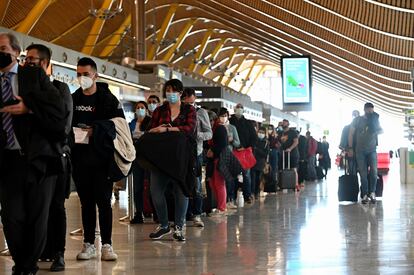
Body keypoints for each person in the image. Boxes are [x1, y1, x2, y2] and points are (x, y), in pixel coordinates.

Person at [0, 32, 67, 275]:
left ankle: (26, 267)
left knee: (38, 216)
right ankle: (23, 262)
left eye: (3, 48)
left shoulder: (33, 76)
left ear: (16, 53)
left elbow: (57, 114)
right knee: (11, 216)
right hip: (8, 160)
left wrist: (29, 108)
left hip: (39, 158)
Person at [24, 43, 73, 272]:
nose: (27, 63)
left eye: (32, 60)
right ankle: (36, 252)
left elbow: (62, 126)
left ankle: (58, 252)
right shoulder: (21, 88)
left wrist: (33, 111)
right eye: (26, 59)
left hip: (54, 157)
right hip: (28, 159)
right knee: (32, 209)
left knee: (55, 207)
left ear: (44, 63)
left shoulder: (59, 89)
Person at [71, 57, 125, 261]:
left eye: (86, 74)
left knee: (104, 202)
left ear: (95, 75)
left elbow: (118, 126)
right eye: (78, 74)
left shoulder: (108, 100)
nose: (82, 78)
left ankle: (107, 245)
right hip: (80, 159)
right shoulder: (74, 98)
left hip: (103, 160)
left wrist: (97, 131)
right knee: (86, 203)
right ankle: (88, 244)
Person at [147, 79, 196, 241]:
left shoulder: (189, 110)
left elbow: (189, 129)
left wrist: (166, 129)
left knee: (181, 191)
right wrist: (159, 130)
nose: (170, 93)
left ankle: (179, 227)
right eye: (167, 90)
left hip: (181, 157)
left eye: (173, 90)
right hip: (161, 157)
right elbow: (151, 130)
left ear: (180, 93)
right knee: (156, 191)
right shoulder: (159, 111)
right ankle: (164, 224)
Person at [182, 87, 212, 227]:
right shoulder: (179, 111)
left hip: (197, 153)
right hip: (181, 153)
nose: (186, 99)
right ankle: (183, 214)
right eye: (184, 97)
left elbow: (209, 133)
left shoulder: (201, 112)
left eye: (189, 96)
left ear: (194, 97)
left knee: (197, 185)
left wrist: (196, 136)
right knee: (182, 184)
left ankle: (197, 214)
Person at [348, 103, 383, 204]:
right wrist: (350, 148)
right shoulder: (357, 120)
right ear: (365, 110)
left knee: (374, 172)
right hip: (360, 151)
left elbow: (381, 131)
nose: (370, 113)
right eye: (369, 111)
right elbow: (351, 133)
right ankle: (365, 194)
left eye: (372, 111)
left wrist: (376, 127)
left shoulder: (375, 120)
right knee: (363, 174)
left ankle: (372, 192)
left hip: (372, 150)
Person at [229, 103, 257, 204]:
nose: (239, 110)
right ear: (234, 109)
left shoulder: (248, 123)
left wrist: (246, 147)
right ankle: (231, 196)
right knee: (232, 174)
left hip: (245, 152)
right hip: (232, 151)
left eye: (241, 108)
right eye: (237, 108)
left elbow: (254, 138)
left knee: (246, 175)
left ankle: (247, 195)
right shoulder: (230, 121)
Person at [129, 101, 151, 224]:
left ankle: (154, 212)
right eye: (138, 108)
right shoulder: (132, 123)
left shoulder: (151, 122)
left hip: (148, 158)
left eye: (142, 107)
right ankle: (139, 212)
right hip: (136, 158)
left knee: (151, 186)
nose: (140, 109)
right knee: (137, 186)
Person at [206, 115, 229, 216]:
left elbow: (223, 145)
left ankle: (222, 208)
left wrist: (213, 151)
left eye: (210, 120)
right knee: (213, 183)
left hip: (220, 159)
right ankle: (219, 206)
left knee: (219, 183)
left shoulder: (220, 128)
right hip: (213, 159)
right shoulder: (213, 129)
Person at [217, 107, 240, 209]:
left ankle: (230, 199)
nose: (223, 118)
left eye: (225, 116)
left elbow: (237, 142)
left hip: (228, 155)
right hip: (218, 155)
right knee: (220, 180)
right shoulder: (216, 127)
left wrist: (230, 141)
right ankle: (223, 201)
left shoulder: (232, 128)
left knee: (229, 178)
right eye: (221, 116)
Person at [280, 119, 300, 191]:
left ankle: (296, 184)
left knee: (293, 168)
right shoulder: (281, 133)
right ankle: (285, 183)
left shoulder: (293, 132)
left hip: (293, 153)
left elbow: (296, 142)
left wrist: (290, 148)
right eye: (283, 123)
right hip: (284, 153)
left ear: (288, 124)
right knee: (283, 168)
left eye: (285, 123)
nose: (283, 124)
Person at [251, 127, 269, 199]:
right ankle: (252, 192)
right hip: (252, 161)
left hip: (260, 162)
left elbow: (265, 154)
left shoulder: (266, 143)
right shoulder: (254, 140)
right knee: (252, 177)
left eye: (262, 132)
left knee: (258, 178)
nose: (260, 134)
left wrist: (257, 150)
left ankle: (256, 192)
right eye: (260, 132)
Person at [339, 110, 359, 174]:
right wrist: (346, 150)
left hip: (362, 152)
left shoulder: (363, 128)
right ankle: (353, 183)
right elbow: (342, 143)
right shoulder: (346, 128)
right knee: (352, 171)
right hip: (351, 152)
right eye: (354, 115)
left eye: (356, 115)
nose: (355, 117)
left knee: (363, 173)